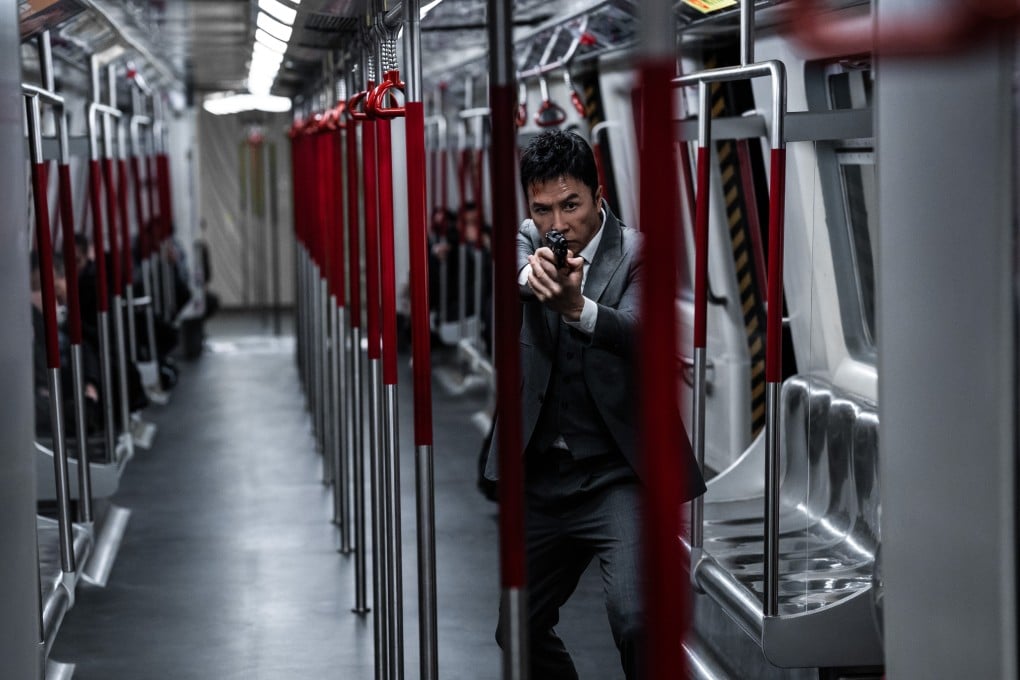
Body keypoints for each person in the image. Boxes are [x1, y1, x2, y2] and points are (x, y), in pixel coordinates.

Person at [486, 130, 705, 679]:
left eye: (571, 205)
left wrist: (577, 308)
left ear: (598, 195)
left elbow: (638, 329)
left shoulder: (639, 253)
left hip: (616, 473)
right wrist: (532, 275)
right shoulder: (529, 239)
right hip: (544, 474)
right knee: (517, 630)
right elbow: (514, 260)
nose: (557, 223)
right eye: (542, 209)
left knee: (637, 619)